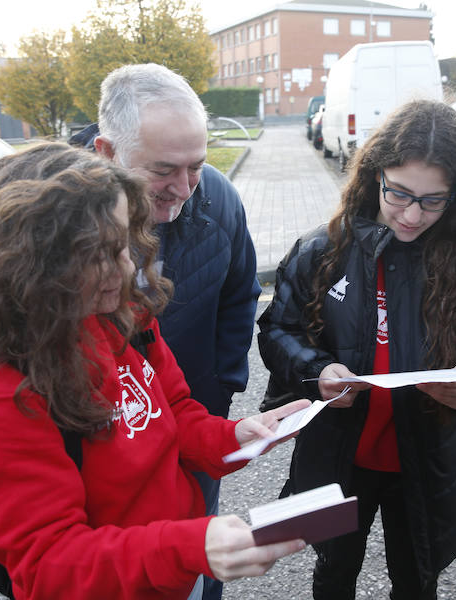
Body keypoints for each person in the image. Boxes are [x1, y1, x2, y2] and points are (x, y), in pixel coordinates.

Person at [0, 145, 308, 600]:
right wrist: (188, 548)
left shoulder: (120, 312)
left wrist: (234, 437)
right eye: (101, 253)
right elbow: (49, 566)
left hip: (174, 567)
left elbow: (170, 411)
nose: (128, 267)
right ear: (31, 265)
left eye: (126, 244)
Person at [257, 99, 456, 598]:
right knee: (334, 571)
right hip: (341, 457)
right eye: (399, 194)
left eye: (433, 200)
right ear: (374, 176)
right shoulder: (324, 249)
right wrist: (316, 371)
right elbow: (279, 330)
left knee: (415, 579)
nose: (412, 214)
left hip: (428, 466)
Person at [90, 62, 261, 600]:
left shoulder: (218, 197)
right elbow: (51, 559)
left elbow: (240, 296)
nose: (186, 188)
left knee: (198, 545)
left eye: (198, 165)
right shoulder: (56, 230)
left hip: (194, 420)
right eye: (165, 169)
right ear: (107, 153)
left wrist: (218, 397)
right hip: (107, 446)